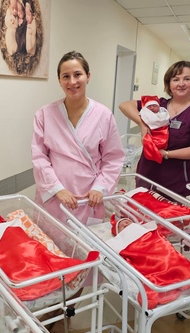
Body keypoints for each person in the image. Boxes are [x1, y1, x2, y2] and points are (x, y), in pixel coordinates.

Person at [31, 50, 125, 225]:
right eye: (66, 76)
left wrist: (100, 188)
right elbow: (39, 157)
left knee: (83, 246)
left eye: (78, 75)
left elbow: (113, 158)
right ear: (59, 80)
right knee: (51, 242)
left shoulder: (103, 115)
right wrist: (56, 188)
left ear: (88, 76)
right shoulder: (44, 114)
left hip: (89, 196)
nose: (72, 82)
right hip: (55, 194)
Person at [119, 61, 190, 197]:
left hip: (175, 180)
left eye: (186, 79)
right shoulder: (157, 104)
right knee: (142, 212)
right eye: (176, 79)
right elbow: (124, 105)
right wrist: (143, 124)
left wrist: (167, 154)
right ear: (169, 83)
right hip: (146, 174)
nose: (181, 84)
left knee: (169, 215)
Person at [139, 95, 170, 164]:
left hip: (162, 131)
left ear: (159, 107)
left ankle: (157, 152)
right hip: (151, 132)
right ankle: (154, 153)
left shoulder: (163, 113)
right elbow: (124, 105)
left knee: (162, 141)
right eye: (149, 107)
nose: (152, 108)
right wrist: (143, 125)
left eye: (154, 106)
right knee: (147, 141)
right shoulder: (145, 113)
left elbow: (164, 121)